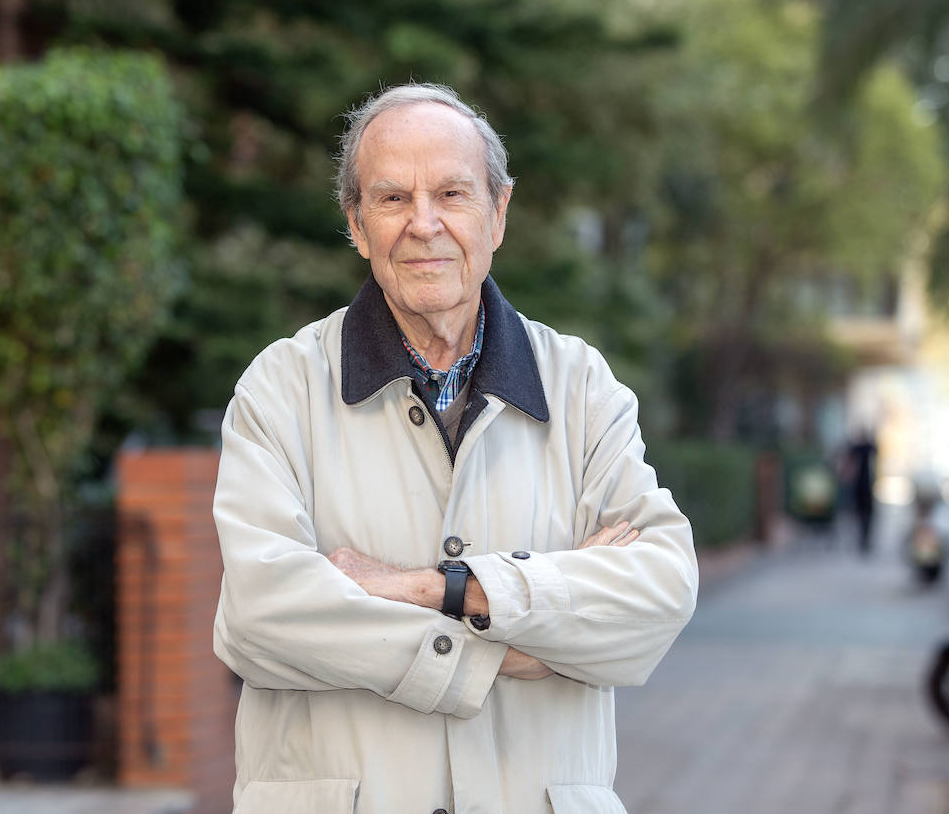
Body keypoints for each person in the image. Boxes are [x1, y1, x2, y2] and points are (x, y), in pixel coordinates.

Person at [212, 83, 698, 814]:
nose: (424, 224)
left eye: (451, 193)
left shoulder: (579, 386)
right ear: (356, 223)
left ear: (498, 213)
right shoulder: (281, 386)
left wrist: (432, 588)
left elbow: (658, 591)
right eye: (392, 199)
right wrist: (502, 649)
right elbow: (260, 619)